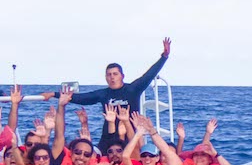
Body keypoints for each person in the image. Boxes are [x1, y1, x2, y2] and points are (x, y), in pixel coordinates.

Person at [44, 38, 172, 117]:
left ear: (122, 76)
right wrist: (53, 94)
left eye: (115, 74)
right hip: (109, 137)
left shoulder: (133, 89)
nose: (112, 77)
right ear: (106, 78)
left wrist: (164, 56)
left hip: (130, 136)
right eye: (109, 75)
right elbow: (82, 98)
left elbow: (149, 74)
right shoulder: (103, 94)